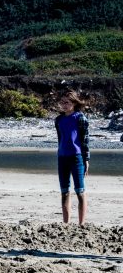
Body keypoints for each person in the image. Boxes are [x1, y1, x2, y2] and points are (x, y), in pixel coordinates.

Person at [55, 90, 90, 225]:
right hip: (62, 157)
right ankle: (66, 224)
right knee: (64, 191)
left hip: (77, 158)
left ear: (74, 103)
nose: (64, 105)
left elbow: (85, 140)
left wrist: (86, 159)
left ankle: (81, 224)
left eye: (67, 102)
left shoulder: (80, 118)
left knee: (80, 191)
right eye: (62, 102)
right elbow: (60, 139)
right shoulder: (58, 120)